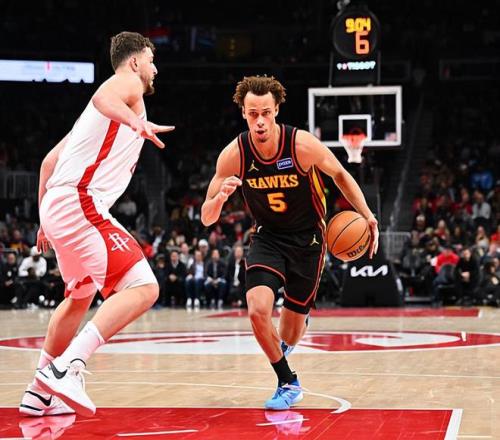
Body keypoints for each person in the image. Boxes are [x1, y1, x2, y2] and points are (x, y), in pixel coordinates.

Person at [20, 31, 174, 417]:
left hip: (58, 206)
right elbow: (104, 97)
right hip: (80, 201)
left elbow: (48, 162)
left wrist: (45, 220)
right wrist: (137, 124)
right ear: (135, 61)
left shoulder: (90, 119)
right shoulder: (127, 84)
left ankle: (38, 393)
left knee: (80, 296)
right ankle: (68, 366)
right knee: (144, 287)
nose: (155, 68)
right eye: (151, 60)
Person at [201, 76, 378, 410]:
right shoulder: (234, 155)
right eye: (253, 114)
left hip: (308, 240)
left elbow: (340, 174)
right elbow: (206, 218)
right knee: (257, 311)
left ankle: (299, 321)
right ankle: (288, 382)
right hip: (267, 237)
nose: (260, 121)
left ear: (277, 110)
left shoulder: (301, 145)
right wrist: (219, 199)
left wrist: (367, 214)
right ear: (243, 113)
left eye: (266, 113)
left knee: (289, 335)